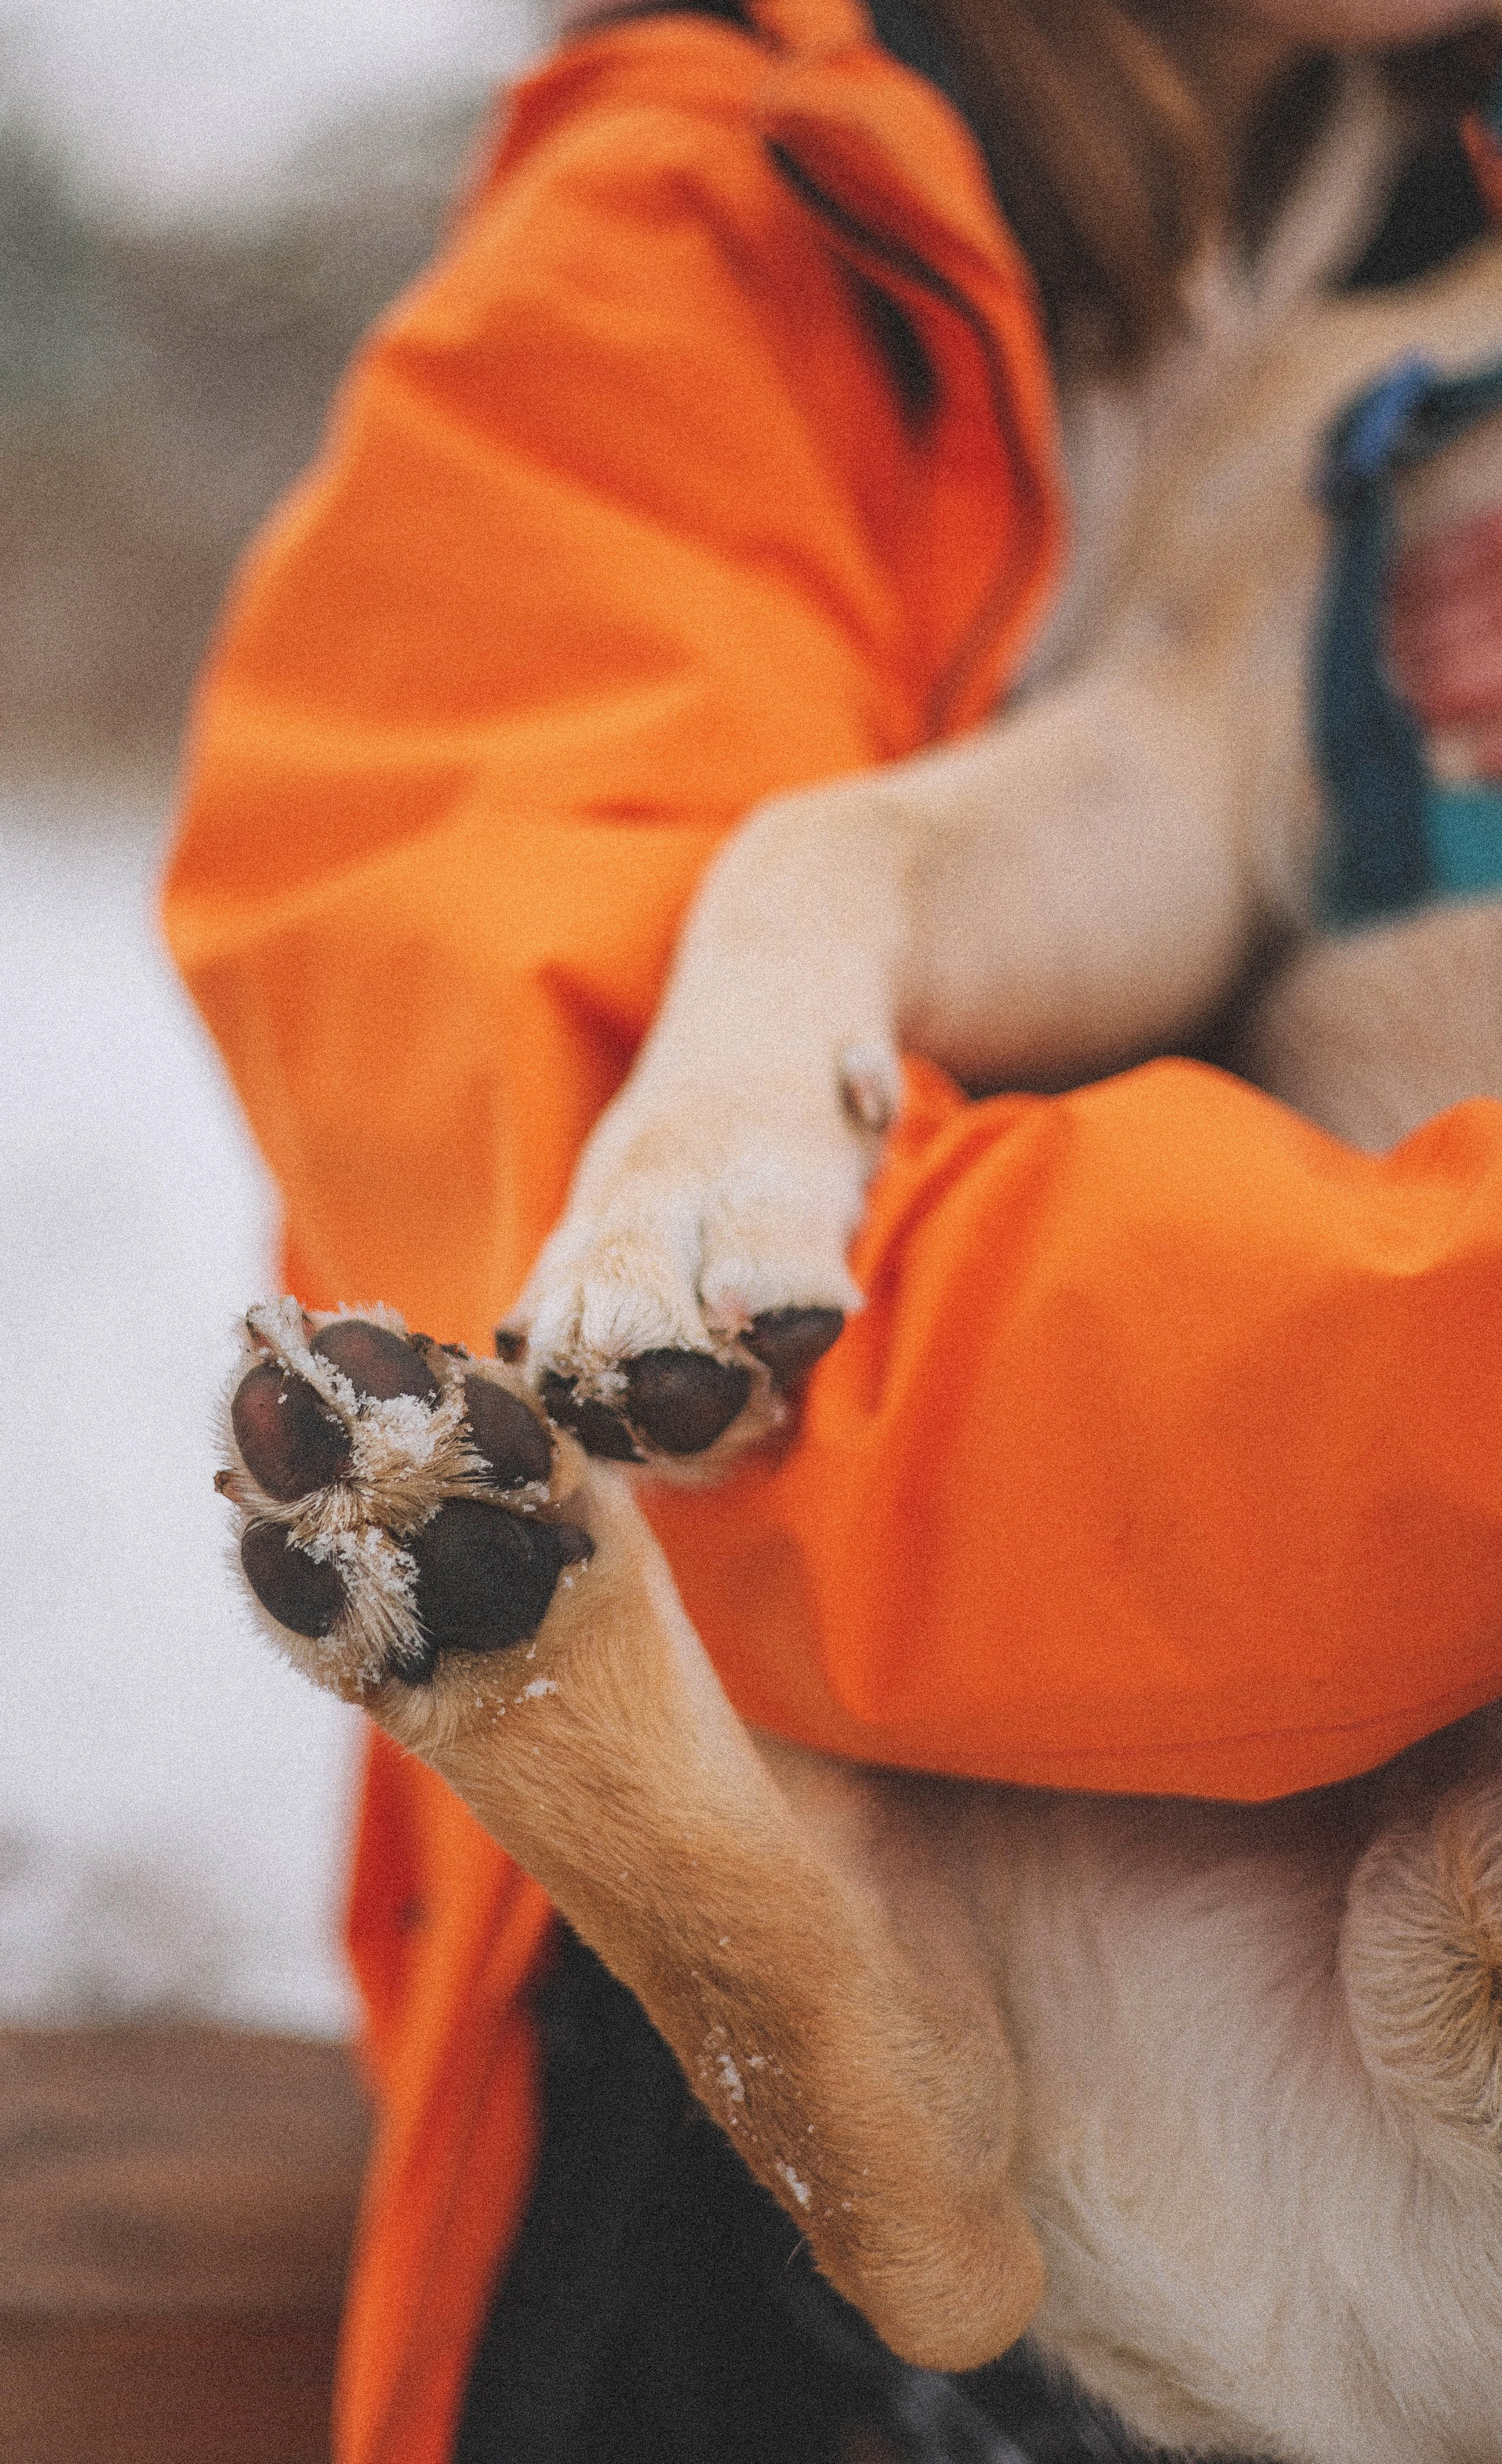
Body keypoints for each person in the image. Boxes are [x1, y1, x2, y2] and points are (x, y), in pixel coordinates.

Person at [164, 5, 1502, 2459]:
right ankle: (852, 2031)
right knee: (680, 1452)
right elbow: (560, 1148)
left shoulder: (1409, 232)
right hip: (1056, 1980)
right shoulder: (706, 219)